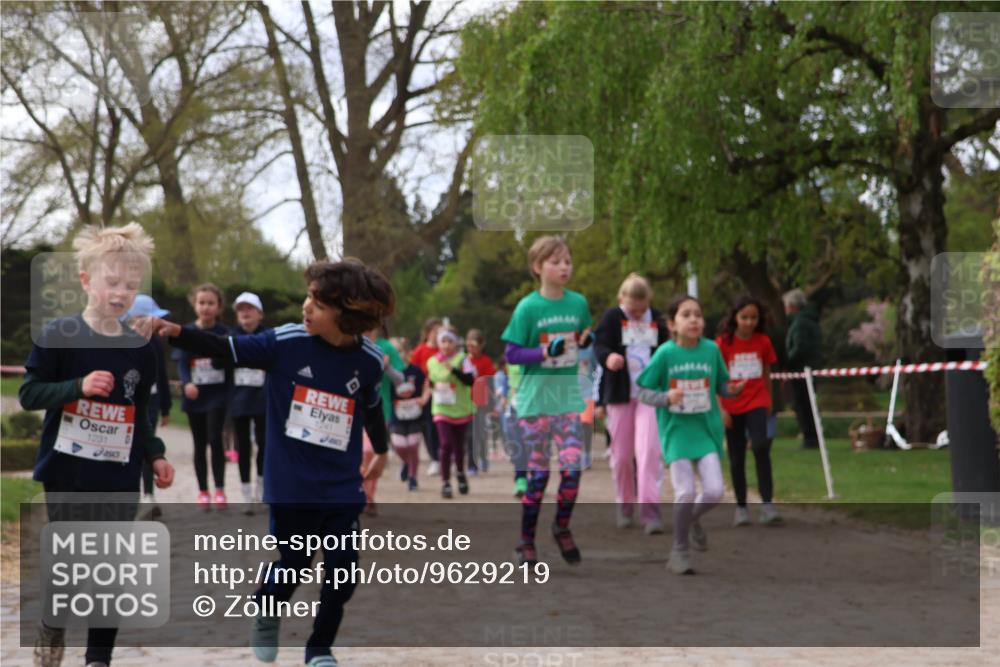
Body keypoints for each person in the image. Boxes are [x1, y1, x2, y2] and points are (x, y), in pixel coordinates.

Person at [147, 259, 392, 667]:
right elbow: (226, 348)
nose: (305, 307)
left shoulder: (367, 360)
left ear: (347, 312)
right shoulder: (286, 342)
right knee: (294, 564)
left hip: (340, 486)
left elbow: (371, 408)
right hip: (291, 484)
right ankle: (267, 606)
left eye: (317, 301)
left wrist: (381, 451)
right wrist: (178, 333)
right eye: (307, 297)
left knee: (343, 572)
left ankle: (319, 648)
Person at [20, 223, 175, 667]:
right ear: (87, 280)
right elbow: (31, 394)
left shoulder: (140, 348)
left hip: (118, 473)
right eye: (113, 282)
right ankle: (53, 622)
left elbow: (141, 412)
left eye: (131, 285)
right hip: (66, 471)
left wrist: (157, 453)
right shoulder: (58, 334)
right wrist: (77, 387)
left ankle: (97, 659)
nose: (121, 293)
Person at [502, 235, 593, 566]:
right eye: (556, 261)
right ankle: (526, 541)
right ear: (538, 268)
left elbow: (583, 334)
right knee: (538, 477)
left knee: (573, 469)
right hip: (534, 404)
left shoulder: (578, 303)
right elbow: (511, 353)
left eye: (567, 260)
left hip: (567, 401)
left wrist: (586, 338)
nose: (564, 267)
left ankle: (562, 526)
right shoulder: (528, 308)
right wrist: (543, 351)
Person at [636, 295, 744, 575]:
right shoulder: (665, 354)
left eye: (698, 314)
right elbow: (643, 392)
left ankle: (691, 520)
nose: (694, 319)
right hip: (677, 432)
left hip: (706, 430)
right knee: (685, 492)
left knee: (715, 491)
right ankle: (679, 551)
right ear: (672, 324)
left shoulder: (710, 350)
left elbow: (721, 384)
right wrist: (666, 397)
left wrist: (732, 390)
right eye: (686, 315)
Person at [594, 273, 670, 535]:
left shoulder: (659, 321)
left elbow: (667, 351)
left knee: (648, 453)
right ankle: (625, 505)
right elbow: (599, 345)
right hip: (620, 394)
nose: (637, 315)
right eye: (632, 310)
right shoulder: (612, 318)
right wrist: (609, 357)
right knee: (623, 455)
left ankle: (650, 511)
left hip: (649, 395)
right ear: (621, 300)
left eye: (642, 310)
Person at [716, 296, 782, 526]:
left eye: (754, 318)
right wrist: (721, 407)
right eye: (744, 317)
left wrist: (769, 401)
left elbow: (766, 372)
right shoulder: (723, 344)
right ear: (735, 317)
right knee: (736, 457)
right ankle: (741, 507)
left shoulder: (763, 342)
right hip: (732, 404)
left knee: (761, 447)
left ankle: (767, 504)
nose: (749, 322)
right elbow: (716, 378)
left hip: (757, 400)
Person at [173, 283, 231, 509]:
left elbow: (231, 361)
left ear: (219, 307)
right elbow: (182, 362)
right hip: (195, 396)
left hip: (217, 394)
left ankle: (220, 489)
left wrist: (220, 359)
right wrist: (187, 383)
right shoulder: (186, 332)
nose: (205, 307)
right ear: (194, 304)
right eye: (201, 303)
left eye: (210, 303)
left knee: (215, 438)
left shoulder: (225, 333)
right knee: (199, 444)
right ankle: (203, 491)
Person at [126, 294, 172, 520]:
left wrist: (166, 406)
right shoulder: (121, 342)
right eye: (149, 318)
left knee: (146, 445)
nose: (155, 323)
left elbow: (161, 376)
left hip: (150, 404)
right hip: (126, 406)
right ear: (133, 318)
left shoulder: (153, 342)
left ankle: (148, 495)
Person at [427, 324, 477, 498]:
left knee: (458, 447)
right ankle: (445, 482)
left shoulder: (463, 359)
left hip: (461, 410)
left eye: (450, 341)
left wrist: (454, 371)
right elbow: (431, 382)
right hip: (441, 409)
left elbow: (471, 381)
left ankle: (461, 474)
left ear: (456, 343)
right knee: (446, 444)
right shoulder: (432, 361)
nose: (446, 345)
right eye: (443, 341)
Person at [230, 292, 269, 509]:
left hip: (263, 401)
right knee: (242, 447)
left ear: (260, 314)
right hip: (239, 401)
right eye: (240, 309)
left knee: (264, 444)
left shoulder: (269, 337)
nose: (245, 313)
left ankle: (261, 488)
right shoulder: (230, 337)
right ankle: (245, 492)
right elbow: (219, 364)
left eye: (249, 308)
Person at [388, 336, 430, 491]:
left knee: (413, 445)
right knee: (399, 445)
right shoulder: (389, 373)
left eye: (399, 351)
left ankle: (413, 477)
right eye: (394, 352)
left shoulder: (415, 371)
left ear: (407, 353)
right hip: (396, 415)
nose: (397, 355)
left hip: (415, 415)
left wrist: (424, 398)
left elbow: (427, 384)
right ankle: (406, 462)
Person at [783, 288, 822, 449]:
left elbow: (799, 348)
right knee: (807, 403)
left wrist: (788, 363)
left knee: (803, 404)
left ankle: (810, 438)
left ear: (792, 305)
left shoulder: (800, 323)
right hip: (809, 367)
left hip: (802, 369)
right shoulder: (809, 320)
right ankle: (812, 437)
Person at [411, 317, 442, 475]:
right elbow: (413, 373)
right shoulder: (420, 350)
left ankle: (444, 456)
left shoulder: (445, 350)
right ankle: (435, 458)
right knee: (429, 427)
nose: (439, 335)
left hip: (445, 395)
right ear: (429, 333)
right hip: (426, 395)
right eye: (436, 332)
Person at [464, 328, 496, 475]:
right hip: (466, 403)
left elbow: (490, 382)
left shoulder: (486, 361)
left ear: (481, 345)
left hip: (481, 403)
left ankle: (483, 457)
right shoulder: (463, 361)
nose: (471, 349)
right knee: (470, 435)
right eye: (469, 346)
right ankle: (472, 464)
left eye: (474, 346)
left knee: (480, 434)